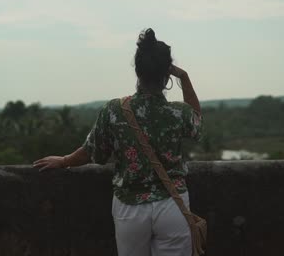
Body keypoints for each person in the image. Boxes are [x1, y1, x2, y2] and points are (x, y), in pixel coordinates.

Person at [33, 28, 202, 256]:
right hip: (173, 205)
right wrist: (184, 77)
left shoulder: (115, 110)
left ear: (138, 71)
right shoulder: (178, 113)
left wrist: (63, 161)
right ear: (166, 75)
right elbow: (197, 121)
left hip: (130, 208)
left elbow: (91, 152)